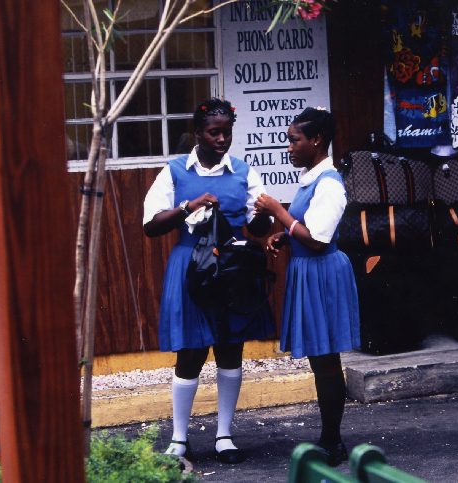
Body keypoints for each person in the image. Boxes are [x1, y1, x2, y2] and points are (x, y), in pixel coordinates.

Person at [143, 98, 273, 464]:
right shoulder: (175, 172)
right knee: (190, 352)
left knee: (230, 350)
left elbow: (257, 226)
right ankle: (179, 439)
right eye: (214, 132)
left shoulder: (243, 171)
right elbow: (151, 225)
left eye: (226, 132)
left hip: (232, 269)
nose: (222, 139)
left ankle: (225, 435)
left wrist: (263, 217)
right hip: (192, 266)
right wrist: (188, 206)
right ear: (197, 133)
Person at [254, 107, 360, 466]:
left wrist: (276, 210)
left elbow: (316, 238)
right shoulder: (311, 178)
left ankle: (333, 442)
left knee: (327, 361)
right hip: (309, 271)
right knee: (321, 360)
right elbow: (306, 228)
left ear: (316, 141)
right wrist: (285, 236)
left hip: (322, 273)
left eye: (294, 140)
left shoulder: (328, 183)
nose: (289, 147)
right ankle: (329, 438)